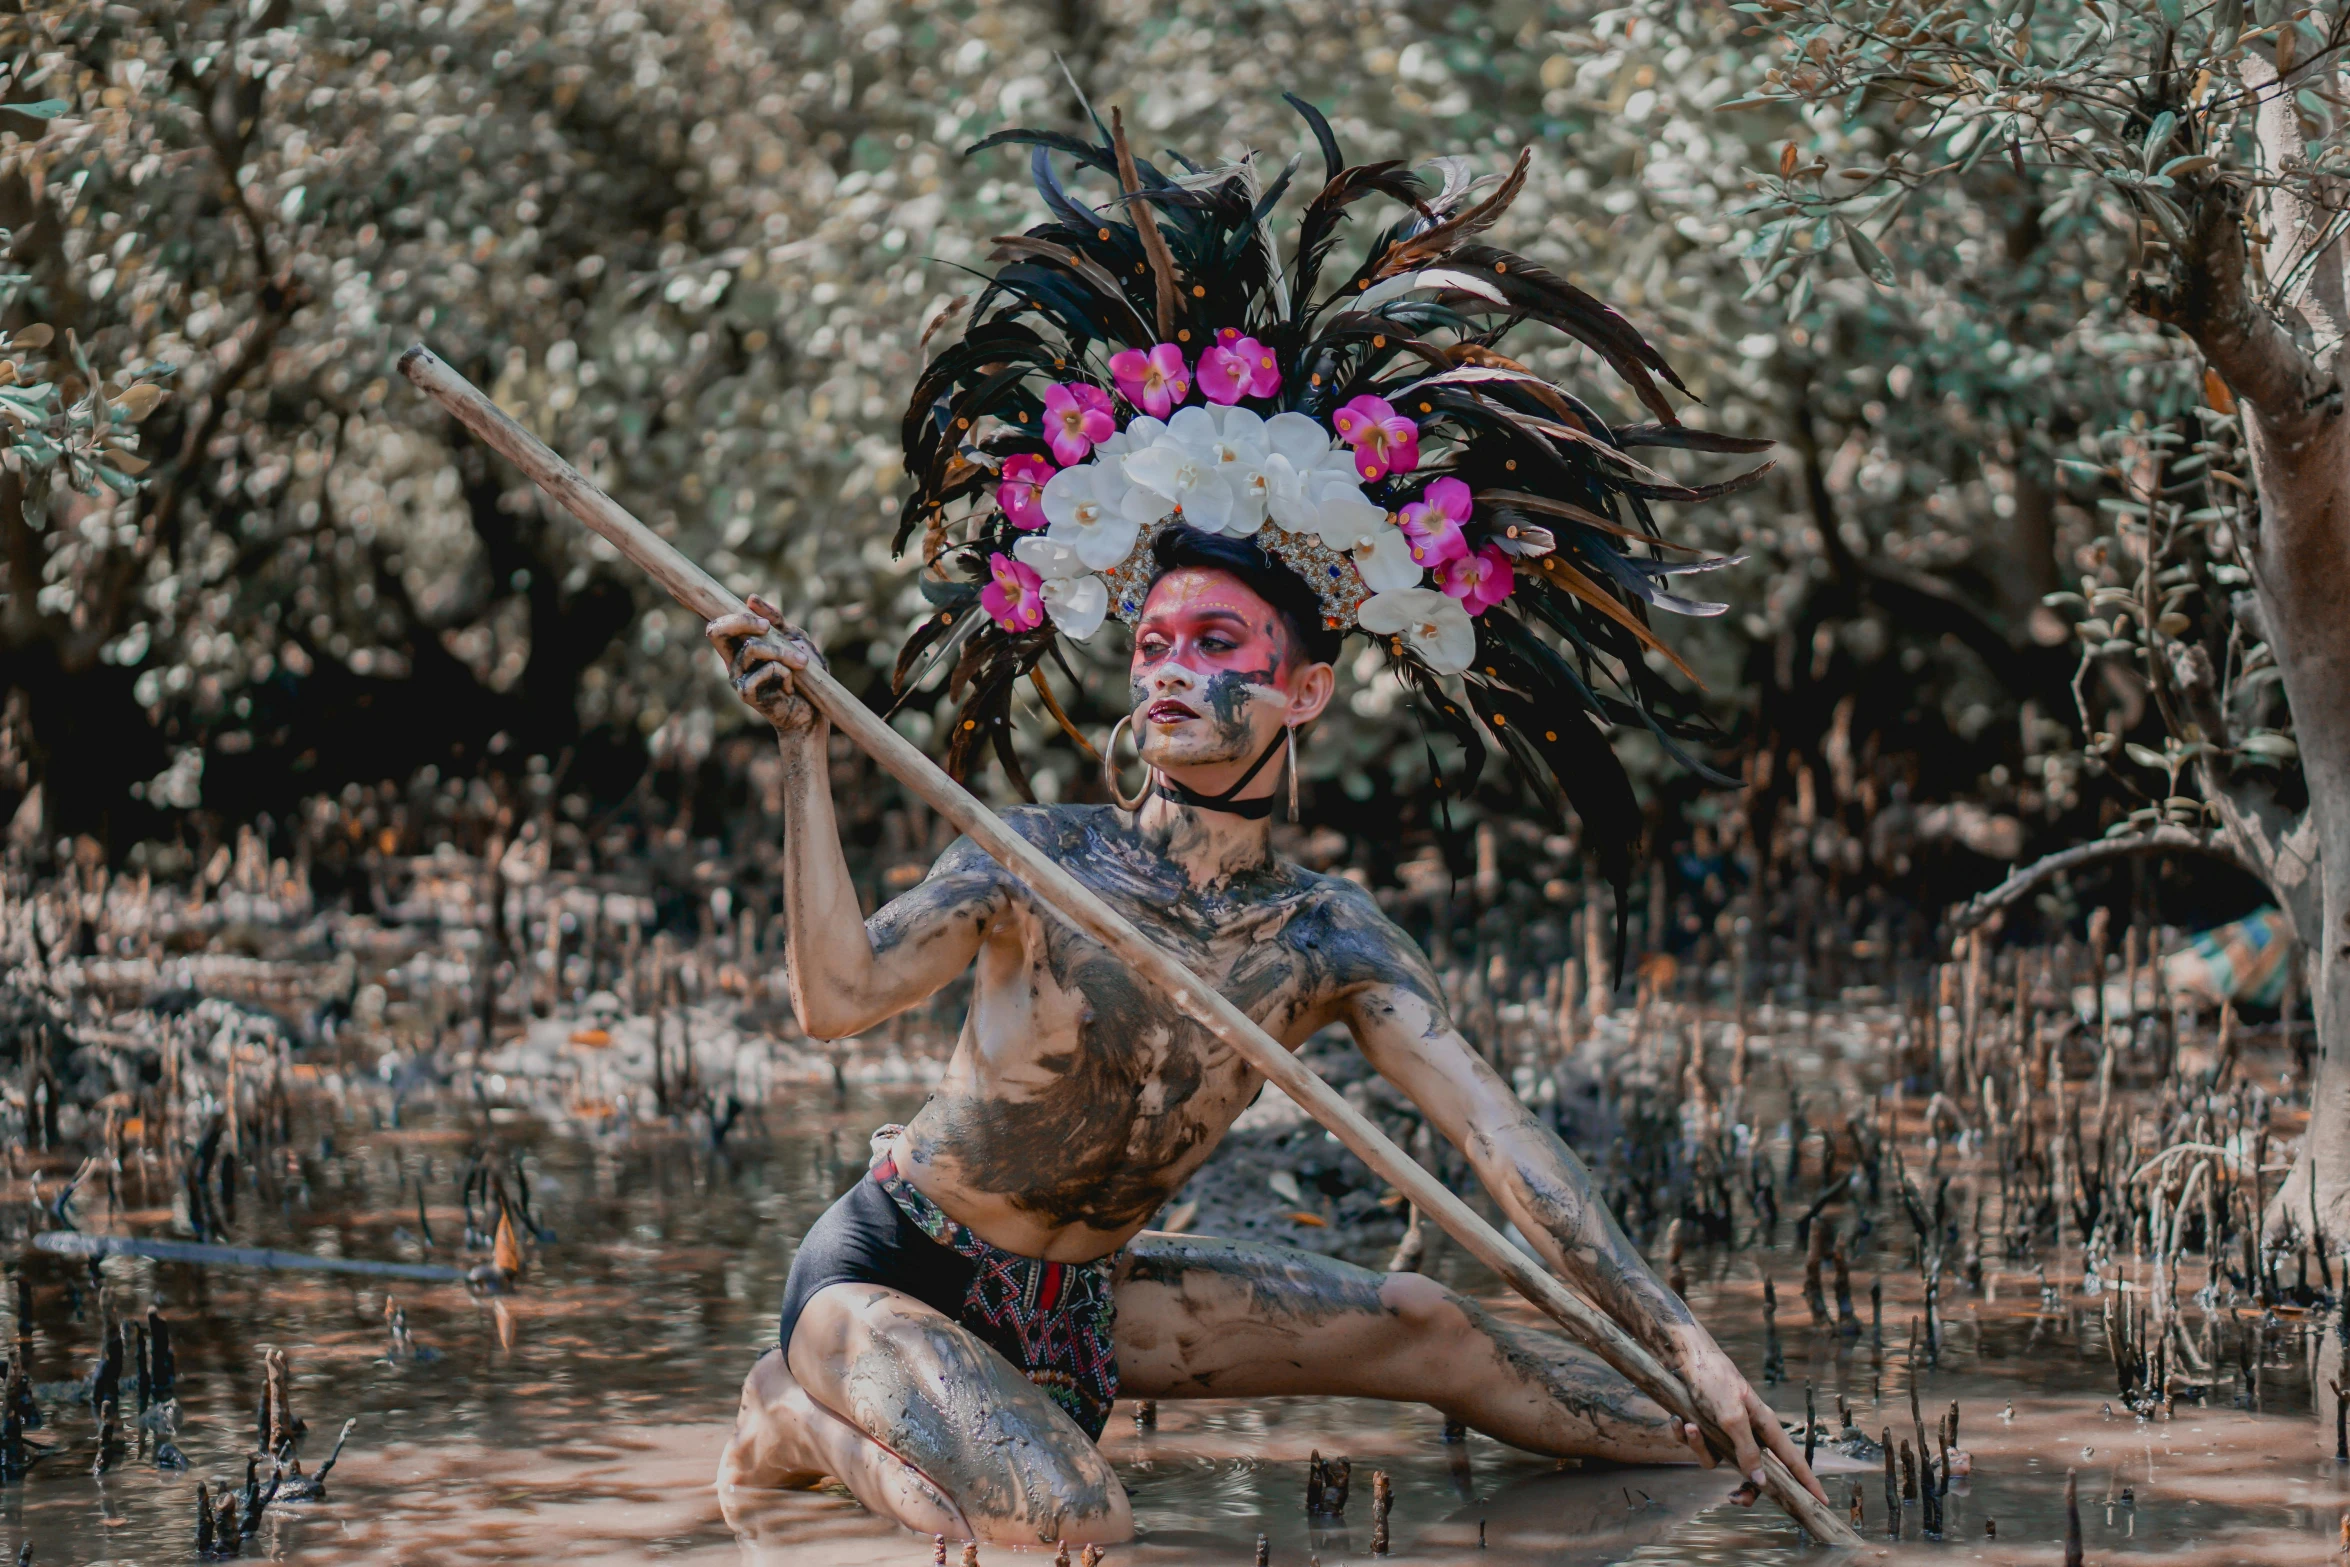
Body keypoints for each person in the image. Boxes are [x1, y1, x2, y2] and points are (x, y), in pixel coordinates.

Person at [710, 100, 1815, 1546]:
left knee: (1441, 1328)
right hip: (893, 1282)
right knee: (1076, 1525)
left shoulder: (1323, 936)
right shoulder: (1037, 856)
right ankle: (805, 1419)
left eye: (1216, 644)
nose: (1171, 669)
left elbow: (1498, 1143)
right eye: (1154, 642)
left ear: (1302, 692)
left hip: (1088, 1311)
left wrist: (1690, 1353)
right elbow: (834, 999)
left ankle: (1767, 1454)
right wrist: (803, 757)